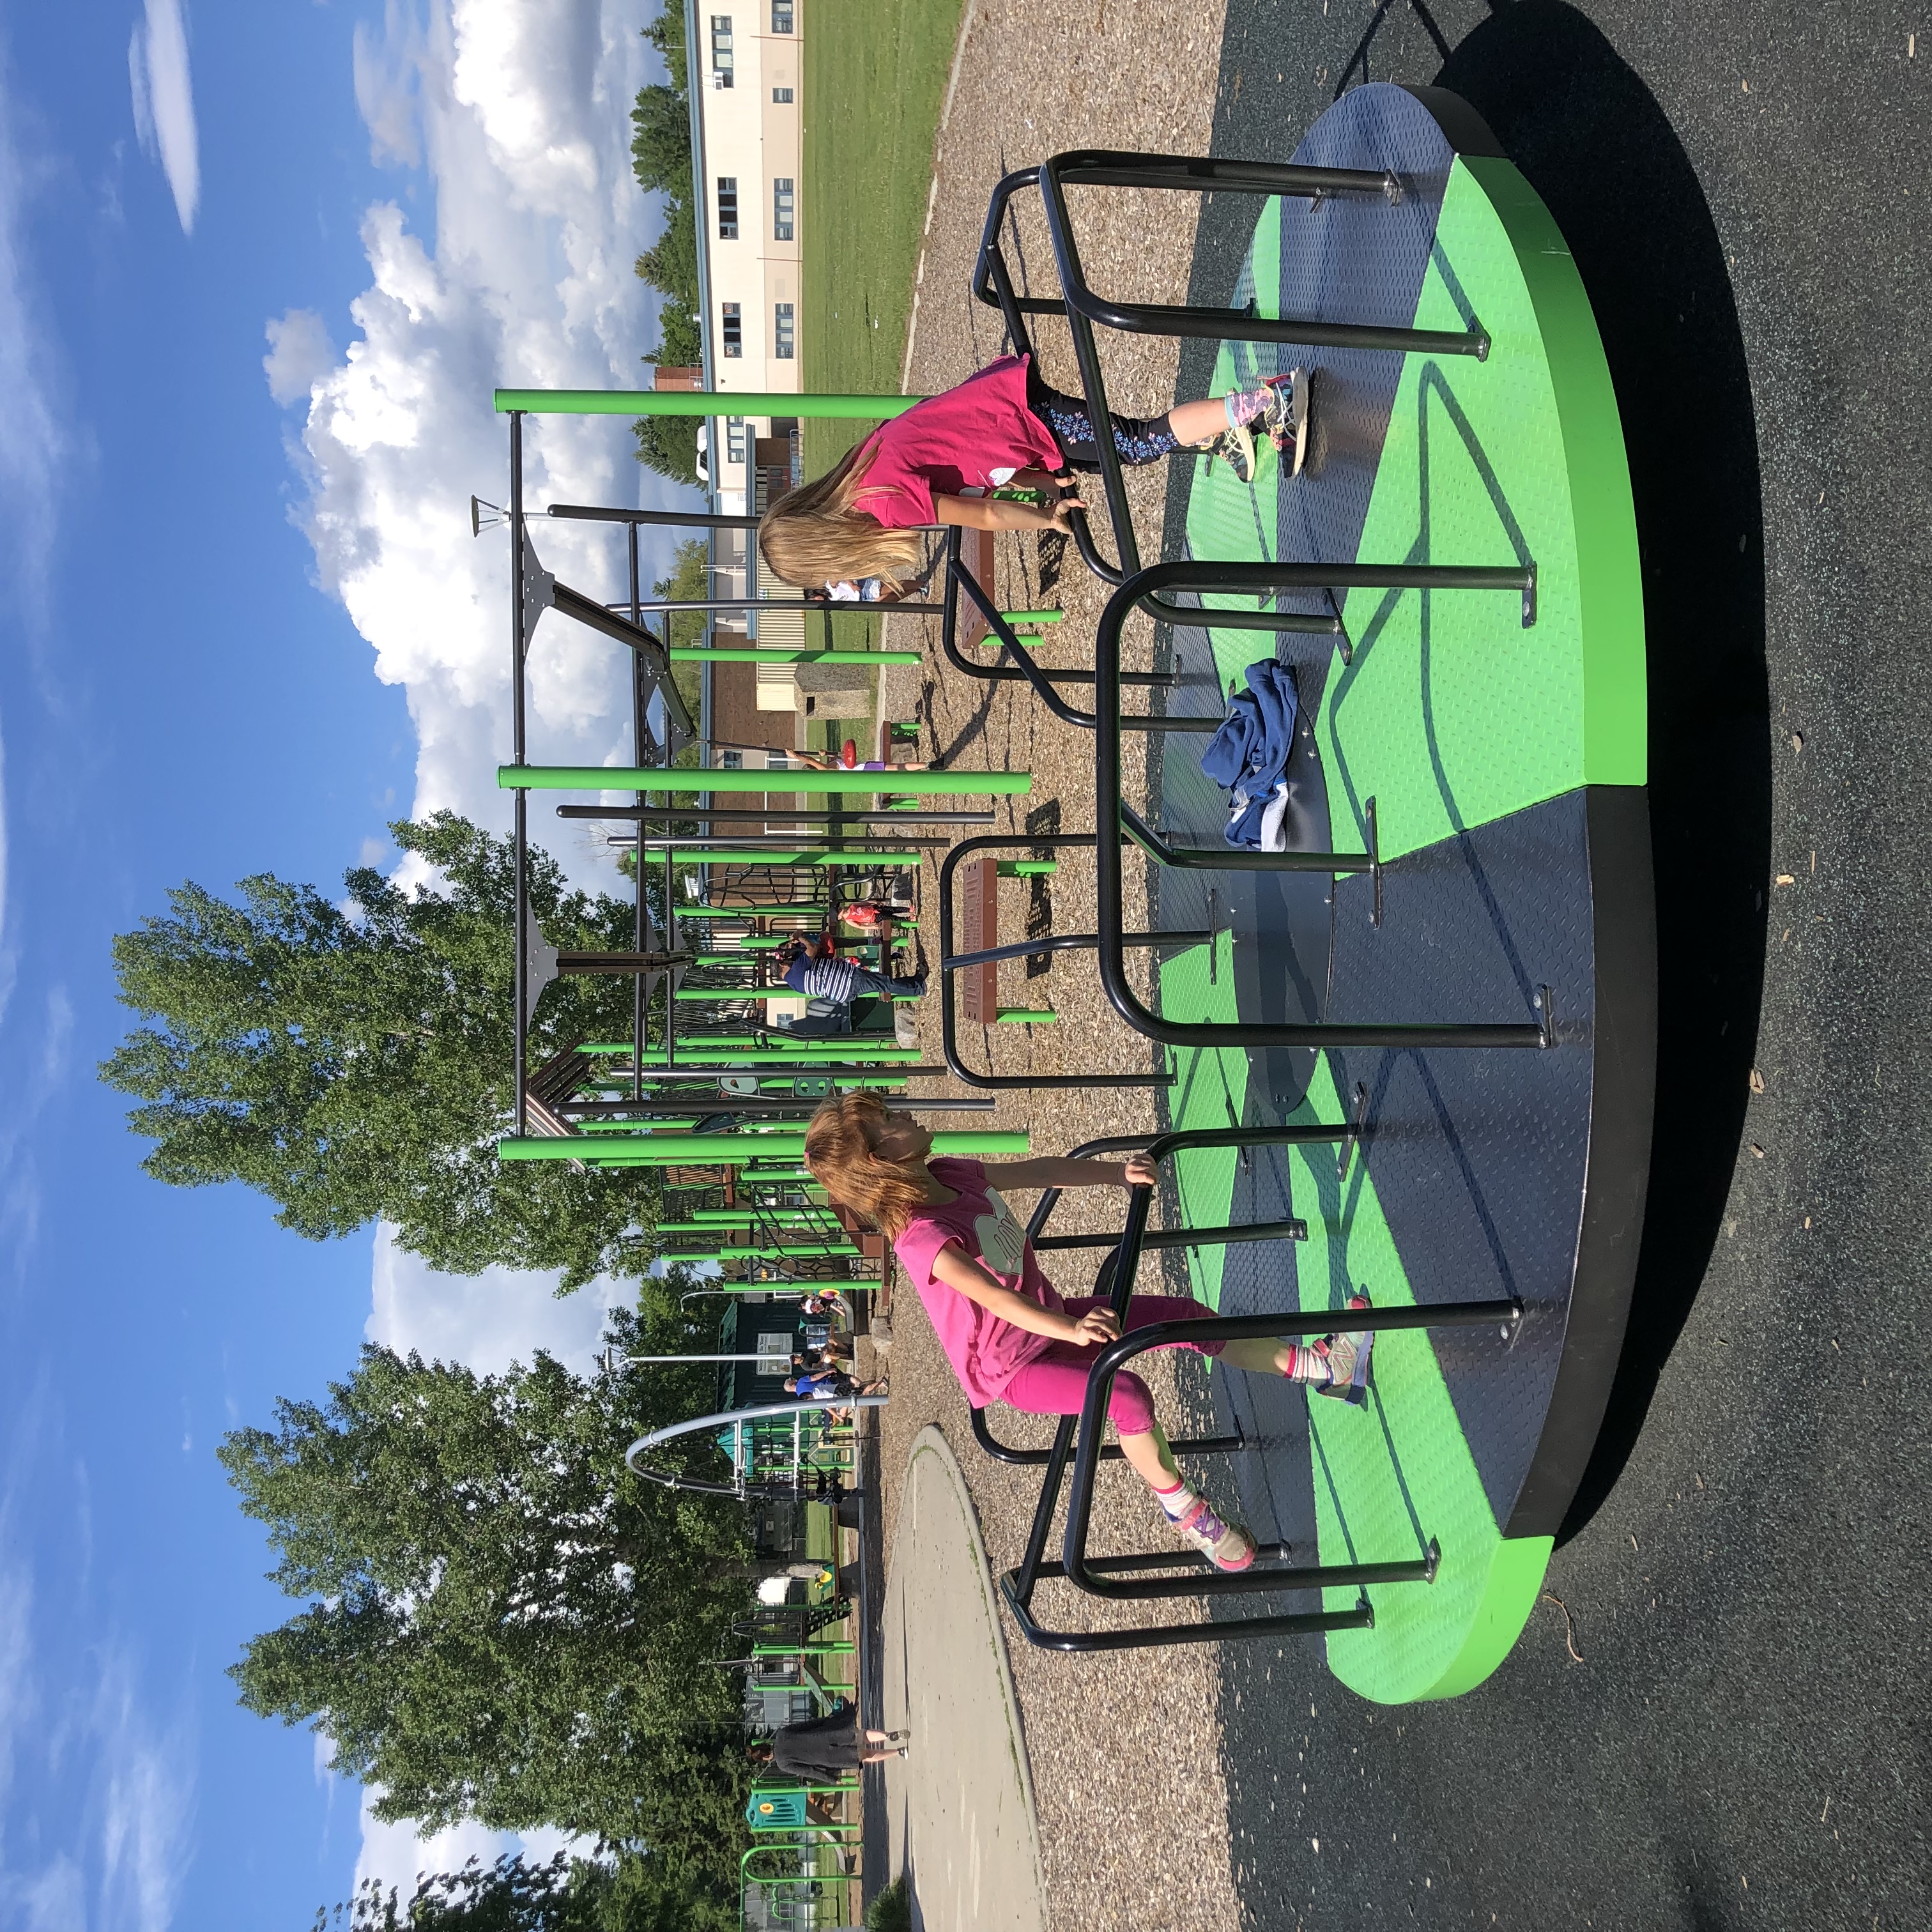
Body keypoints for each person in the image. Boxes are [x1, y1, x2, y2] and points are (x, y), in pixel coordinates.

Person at [801, 1093, 1370, 1573]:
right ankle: (1186, 1513)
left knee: (1187, 1318)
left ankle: (1324, 1368)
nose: (906, 1117)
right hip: (1017, 1369)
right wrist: (1072, 1328)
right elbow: (997, 1298)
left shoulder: (948, 1173)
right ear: (884, 1156)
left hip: (1053, 1319)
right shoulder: (922, 1237)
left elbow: (1041, 1172)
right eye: (891, 1122)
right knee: (1127, 1396)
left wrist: (1116, 1173)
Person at [756, 353, 1312, 593]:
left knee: (1139, 442)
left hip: (1023, 417)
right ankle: (1224, 433)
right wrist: (1042, 481)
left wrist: (1045, 520)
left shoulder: (885, 503)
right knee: (1106, 456)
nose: (835, 580)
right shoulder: (861, 468)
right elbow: (963, 459)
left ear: (827, 550)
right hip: (1008, 414)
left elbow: (985, 513)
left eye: (825, 573)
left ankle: (1267, 399)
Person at [751, 1704, 907, 1775]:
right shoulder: (782, 1734)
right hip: (826, 1735)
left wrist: (830, 1779)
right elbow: (808, 1725)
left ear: (765, 1758)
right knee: (861, 1735)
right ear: (765, 1745)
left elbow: (810, 1771)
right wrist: (827, 1720)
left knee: (864, 1756)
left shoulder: (783, 1764)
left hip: (828, 1757)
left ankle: (898, 1752)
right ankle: (887, 1736)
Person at [777, 935, 926, 1006]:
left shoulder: (794, 983)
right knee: (884, 983)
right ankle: (919, 988)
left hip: (843, 989)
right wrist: (800, 937)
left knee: (883, 982)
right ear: (782, 965)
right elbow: (813, 948)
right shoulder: (796, 971)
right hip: (847, 981)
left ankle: (916, 981)